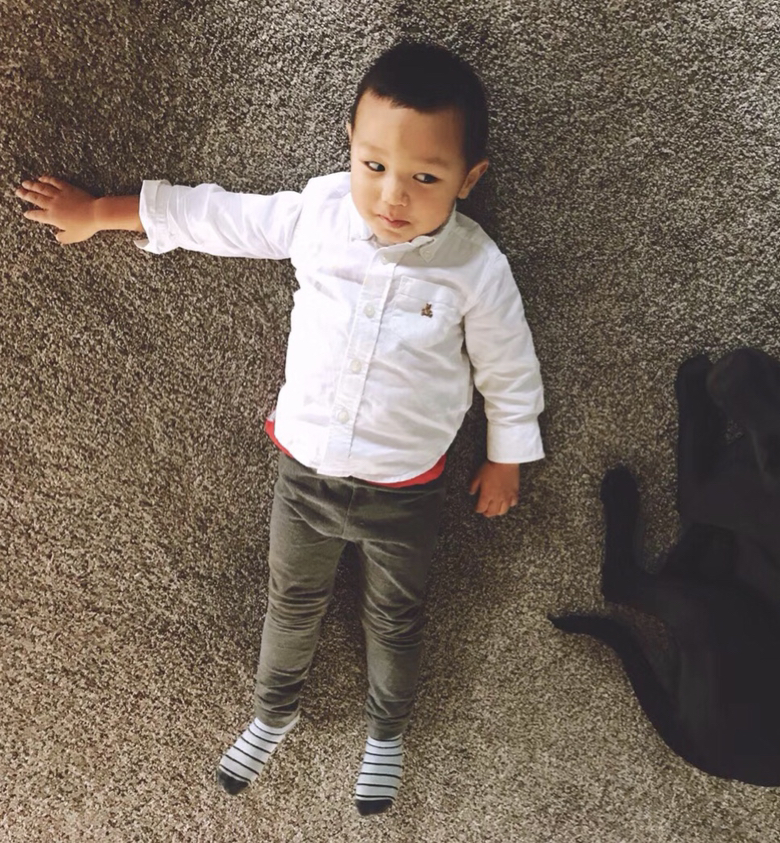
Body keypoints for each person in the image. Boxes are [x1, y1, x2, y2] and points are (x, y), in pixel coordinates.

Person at [14, 41, 544, 816]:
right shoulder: (321, 214)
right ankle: (273, 711)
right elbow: (219, 216)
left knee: (396, 617)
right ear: (350, 148)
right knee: (290, 603)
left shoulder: (475, 266)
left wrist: (507, 455)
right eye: (373, 165)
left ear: (469, 179)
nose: (392, 195)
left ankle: (387, 732)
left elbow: (508, 365)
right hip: (304, 478)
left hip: (405, 490)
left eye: (425, 178)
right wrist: (100, 212)